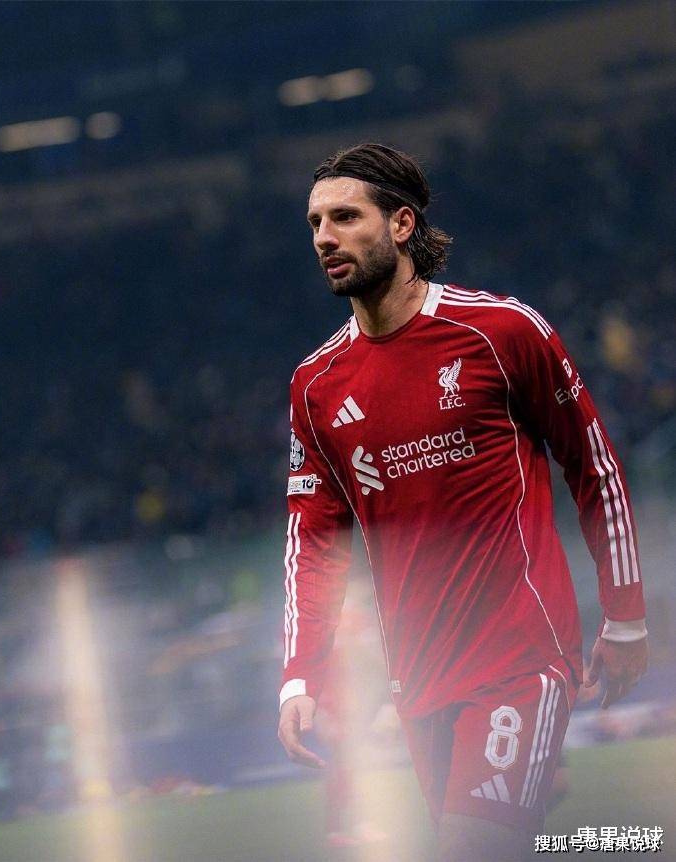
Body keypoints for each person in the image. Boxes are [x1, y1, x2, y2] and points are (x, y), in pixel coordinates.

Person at [277, 143, 648, 861]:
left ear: (402, 225)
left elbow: (594, 468)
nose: (324, 237)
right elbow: (312, 541)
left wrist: (626, 616)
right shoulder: (316, 384)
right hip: (418, 680)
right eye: (316, 222)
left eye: (346, 217)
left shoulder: (502, 332)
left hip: (522, 656)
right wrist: (300, 673)